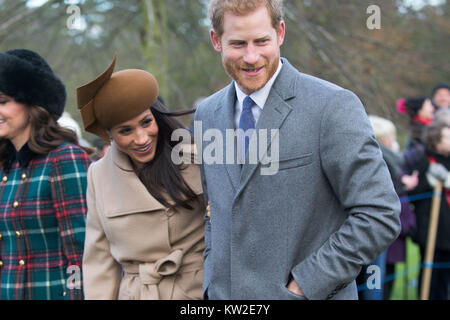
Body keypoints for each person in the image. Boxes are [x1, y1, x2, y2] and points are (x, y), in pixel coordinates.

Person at [195, 0, 401, 300]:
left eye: (261, 41)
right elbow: (215, 212)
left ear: (280, 32)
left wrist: (304, 286)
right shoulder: (206, 115)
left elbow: (379, 212)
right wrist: (212, 283)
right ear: (216, 40)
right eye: (238, 43)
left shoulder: (332, 106)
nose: (251, 57)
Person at [79, 54, 205, 300]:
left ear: (157, 116)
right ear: (110, 135)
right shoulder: (99, 175)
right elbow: (99, 262)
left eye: (146, 122)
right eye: (125, 131)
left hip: (199, 292)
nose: (141, 138)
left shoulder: (198, 156)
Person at [0, 49, 90, 299]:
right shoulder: (6, 167)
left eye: (3, 101)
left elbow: (81, 254)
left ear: (33, 103)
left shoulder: (64, 159)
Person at [366, 116, 418, 300]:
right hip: (374, 225)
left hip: (387, 225)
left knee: (379, 277)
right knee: (374, 280)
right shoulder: (379, 158)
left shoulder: (390, 158)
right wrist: (403, 185)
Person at [403, 119, 450, 300]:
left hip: (447, 231)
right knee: (429, 274)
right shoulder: (423, 160)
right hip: (430, 228)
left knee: (444, 278)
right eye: (447, 137)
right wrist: (428, 181)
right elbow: (413, 189)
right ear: (436, 140)